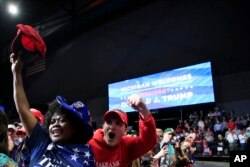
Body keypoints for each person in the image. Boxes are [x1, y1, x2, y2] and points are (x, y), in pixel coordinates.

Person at [10, 53, 95, 166]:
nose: (55, 124)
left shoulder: (84, 159)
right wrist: (16, 73)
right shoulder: (42, 142)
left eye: (62, 120)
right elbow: (23, 109)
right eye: (52, 121)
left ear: (75, 127)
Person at [88, 94, 157, 167]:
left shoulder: (126, 145)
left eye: (118, 123)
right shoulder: (89, 144)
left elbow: (148, 142)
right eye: (109, 122)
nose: (112, 127)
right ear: (103, 126)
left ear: (125, 130)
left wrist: (143, 110)